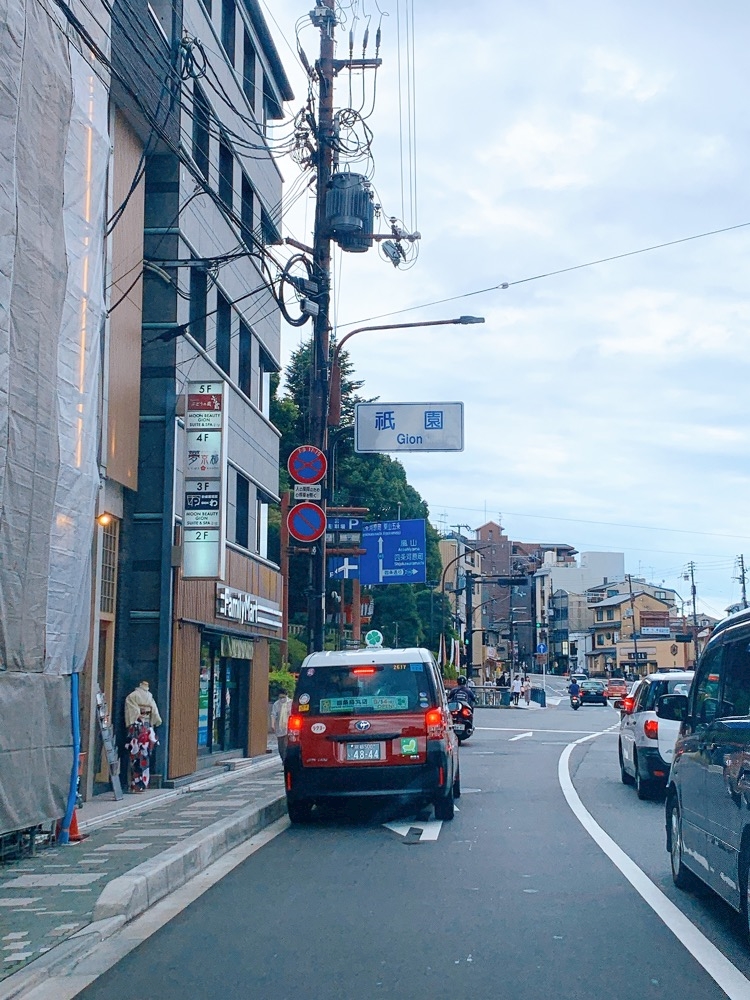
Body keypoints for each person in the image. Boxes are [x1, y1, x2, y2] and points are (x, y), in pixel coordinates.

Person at [124, 681, 161, 793]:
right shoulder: (150, 697)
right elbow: (155, 713)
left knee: (135, 754)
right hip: (147, 726)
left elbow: (132, 711)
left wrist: (138, 716)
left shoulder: (133, 696)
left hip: (136, 727)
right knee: (144, 755)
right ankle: (143, 783)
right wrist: (152, 720)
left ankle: (135, 784)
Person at [271, 690, 292, 760]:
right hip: (279, 728)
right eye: (280, 697)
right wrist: (272, 724)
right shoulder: (276, 704)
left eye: (283, 697)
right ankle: (283, 759)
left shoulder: (291, 703)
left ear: (286, 695)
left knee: (286, 745)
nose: (282, 699)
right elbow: (273, 715)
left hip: (289, 727)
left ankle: (286, 761)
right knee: (280, 747)